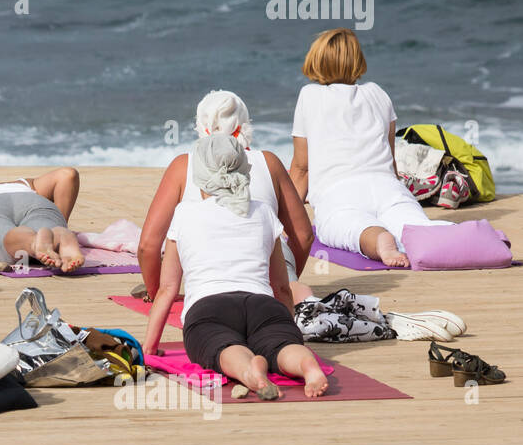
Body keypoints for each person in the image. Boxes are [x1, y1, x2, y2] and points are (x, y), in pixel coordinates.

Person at [145, 135, 328, 400]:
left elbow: (167, 289)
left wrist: (150, 347)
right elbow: (280, 286)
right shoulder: (263, 211)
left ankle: (248, 370)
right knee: (281, 346)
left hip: (208, 309)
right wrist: (286, 327)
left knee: (219, 347)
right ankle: (307, 367)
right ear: (245, 172)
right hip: (262, 305)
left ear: (200, 178)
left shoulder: (184, 214)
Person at [140, 90, 314, 305]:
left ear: (202, 128)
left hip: (210, 269)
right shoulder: (268, 161)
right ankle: (304, 297)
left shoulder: (183, 165)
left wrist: (155, 291)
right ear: (243, 125)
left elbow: (148, 246)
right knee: (295, 290)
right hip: (263, 255)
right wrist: (284, 273)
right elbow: (303, 236)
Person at [289, 29, 441, 267]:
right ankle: (461, 235)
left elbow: (301, 168)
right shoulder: (378, 93)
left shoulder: (309, 95)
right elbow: (390, 159)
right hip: (388, 188)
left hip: (338, 194)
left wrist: (284, 221)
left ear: (317, 60)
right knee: (417, 229)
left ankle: (379, 239)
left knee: (352, 227)